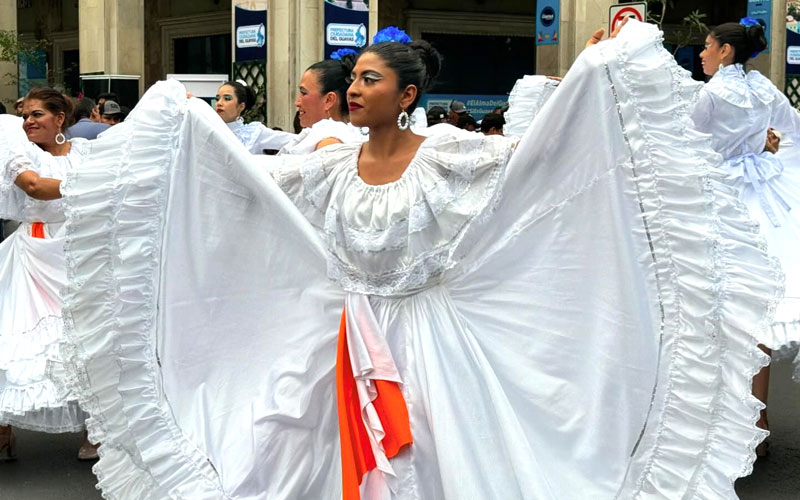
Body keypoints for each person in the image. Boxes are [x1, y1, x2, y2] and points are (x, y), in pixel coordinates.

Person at [17, 21, 780, 498]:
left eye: (369, 80)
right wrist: (126, 162)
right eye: (350, 80)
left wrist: (595, 77)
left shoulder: (450, 152)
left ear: (406, 94)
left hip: (438, 344)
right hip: (345, 343)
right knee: (308, 464)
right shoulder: (324, 163)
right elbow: (237, 185)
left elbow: (542, 165)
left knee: (451, 462)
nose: (353, 90)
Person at [691, 18, 800, 457]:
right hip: (765, 196)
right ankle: (757, 416)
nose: (701, 53)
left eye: (707, 45)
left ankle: (718, 418)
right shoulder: (765, 89)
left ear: (726, 51)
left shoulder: (712, 93)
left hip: (720, 197)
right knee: (757, 314)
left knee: (712, 309)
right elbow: (796, 129)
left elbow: (685, 143)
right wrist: (781, 164)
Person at [0, 88, 96, 461]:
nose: (28, 122)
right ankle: (4, 429)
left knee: (87, 342)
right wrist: (90, 188)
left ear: (60, 119)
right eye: (25, 115)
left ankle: (98, 431)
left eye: (37, 115)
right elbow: (34, 187)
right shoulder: (19, 152)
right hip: (32, 257)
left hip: (78, 255)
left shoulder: (87, 153)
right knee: (14, 343)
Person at [214, 80, 295, 154]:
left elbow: (296, 141)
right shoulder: (209, 130)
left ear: (241, 106)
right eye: (217, 98)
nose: (219, 103)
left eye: (227, 98)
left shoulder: (253, 134)